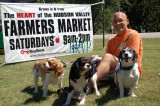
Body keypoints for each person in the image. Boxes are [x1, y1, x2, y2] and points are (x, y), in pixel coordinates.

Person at [95, 11, 143, 83]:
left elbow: (133, 59)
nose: (117, 23)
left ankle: (88, 86)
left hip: (129, 70)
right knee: (93, 61)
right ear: (113, 24)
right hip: (116, 68)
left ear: (127, 22)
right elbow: (107, 60)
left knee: (107, 57)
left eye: (120, 20)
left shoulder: (133, 35)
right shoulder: (111, 40)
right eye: (115, 21)